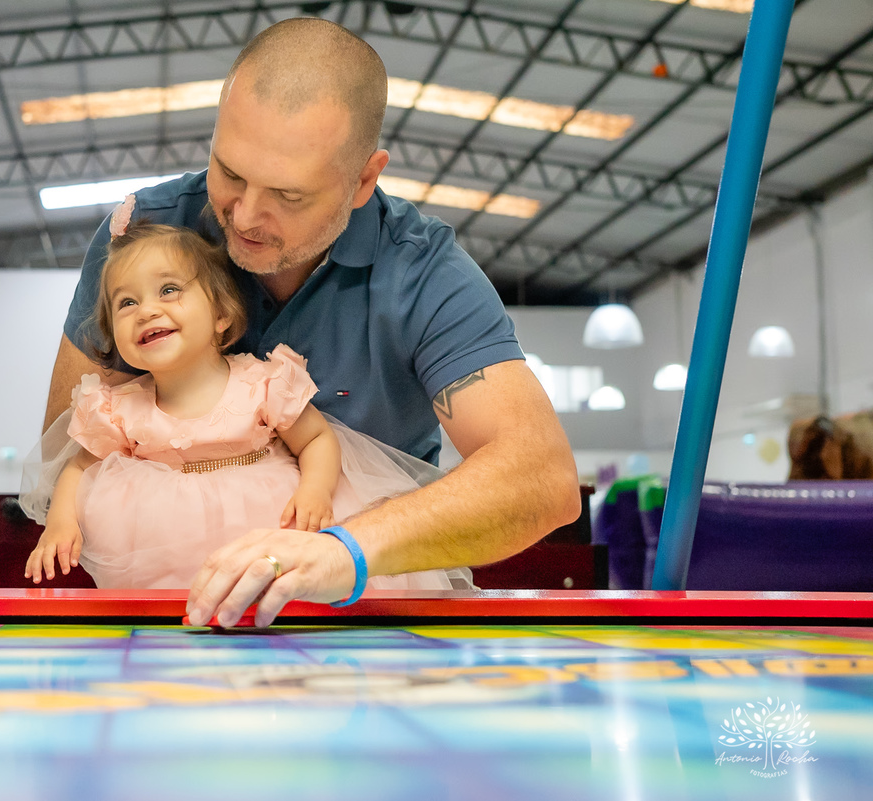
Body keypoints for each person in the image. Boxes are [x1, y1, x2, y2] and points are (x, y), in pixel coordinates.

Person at [44, 18, 580, 626]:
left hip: (365, 609)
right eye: (229, 172)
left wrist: (342, 551)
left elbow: (542, 477)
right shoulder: (144, 239)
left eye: (288, 196)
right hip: (167, 605)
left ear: (363, 180)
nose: (243, 216)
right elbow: (71, 445)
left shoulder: (425, 274)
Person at [22, 223, 456, 591]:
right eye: (127, 303)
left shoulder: (260, 382)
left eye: (168, 290)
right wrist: (62, 522)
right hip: (161, 542)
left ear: (221, 316)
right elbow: (80, 467)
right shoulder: (120, 408)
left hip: (269, 524)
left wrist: (315, 490)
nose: (147, 311)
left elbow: (317, 438)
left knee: (279, 595)